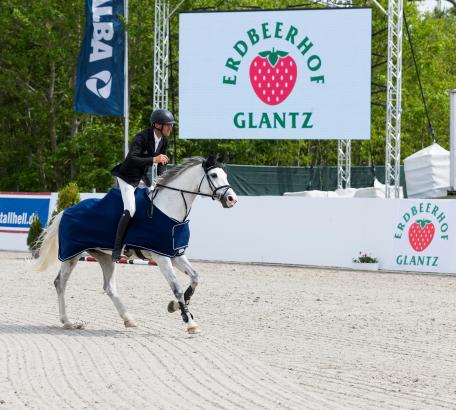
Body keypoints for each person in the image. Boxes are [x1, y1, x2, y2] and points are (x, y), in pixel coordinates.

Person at [110, 108, 175, 261]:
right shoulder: (142, 137)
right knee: (131, 209)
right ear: (157, 125)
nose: (170, 128)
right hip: (126, 177)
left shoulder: (164, 140)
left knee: (152, 205)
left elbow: (162, 162)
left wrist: (161, 180)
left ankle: (144, 243)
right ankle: (117, 248)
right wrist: (154, 159)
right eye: (168, 125)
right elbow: (132, 158)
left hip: (141, 177)